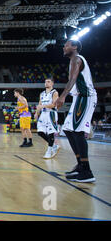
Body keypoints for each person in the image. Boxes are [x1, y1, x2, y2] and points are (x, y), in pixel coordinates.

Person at [55, 40, 97, 183]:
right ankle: (80, 165)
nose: (64, 47)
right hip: (78, 98)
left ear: (75, 47)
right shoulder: (74, 60)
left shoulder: (76, 59)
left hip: (85, 97)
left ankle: (87, 170)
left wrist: (62, 96)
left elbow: (73, 79)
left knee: (77, 132)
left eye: (66, 45)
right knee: (68, 129)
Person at [34, 78, 60, 159]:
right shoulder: (42, 94)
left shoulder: (54, 92)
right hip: (43, 114)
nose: (46, 83)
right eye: (45, 82)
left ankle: (49, 151)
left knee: (50, 133)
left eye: (48, 82)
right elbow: (39, 104)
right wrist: (36, 113)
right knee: (40, 132)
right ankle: (54, 145)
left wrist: (43, 106)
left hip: (51, 113)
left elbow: (54, 105)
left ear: (52, 83)